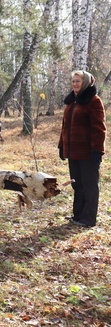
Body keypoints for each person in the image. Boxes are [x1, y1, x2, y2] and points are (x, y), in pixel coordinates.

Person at [58, 70, 106, 228]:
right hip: (73, 152)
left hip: (88, 152)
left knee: (89, 185)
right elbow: (65, 126)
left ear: (86, 82)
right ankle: (77, 215)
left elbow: (99, 128)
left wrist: (97, 150)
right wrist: (62, 146)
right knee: (77, 184)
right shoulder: (72, 102)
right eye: (73, 81)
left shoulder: (94, 101)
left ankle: (88, 219)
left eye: (78, 81)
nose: (75, 84)